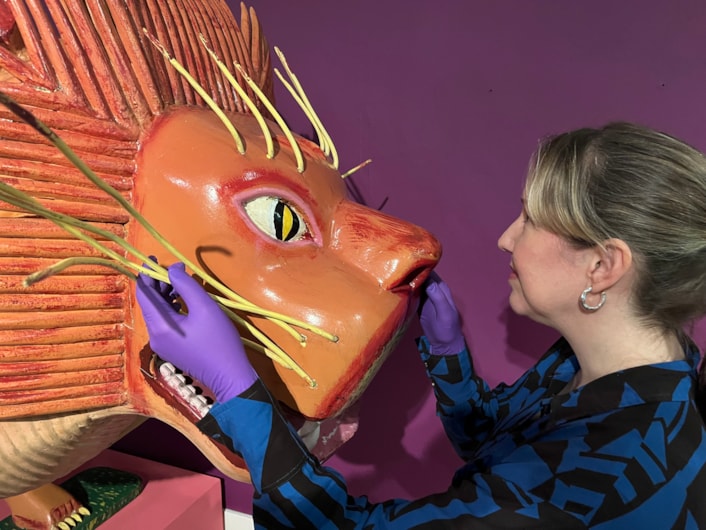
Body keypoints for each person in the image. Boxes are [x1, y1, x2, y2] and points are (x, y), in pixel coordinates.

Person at [136, 121, 706, 528]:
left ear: (602, 267)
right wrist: (448, 351)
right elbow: (489, 443)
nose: (508, 237)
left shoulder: (605, 481)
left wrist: (239, 395)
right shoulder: (622, 363)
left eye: (532, 219)